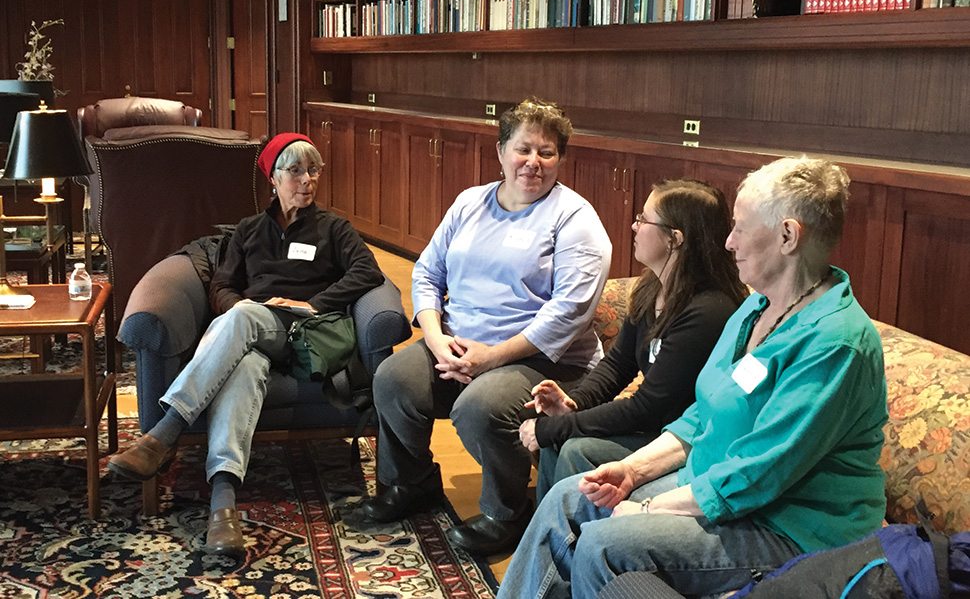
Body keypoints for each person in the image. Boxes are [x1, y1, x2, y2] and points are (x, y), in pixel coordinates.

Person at [496, 156, 888, 599]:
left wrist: (647, 507)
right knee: (567, 499)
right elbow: (701, 413)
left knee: (604, 544)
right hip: (716, 484)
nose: (728, 241)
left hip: (788, 525)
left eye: (740, 227)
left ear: (787, 236)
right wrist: (631, 469)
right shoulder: (755, 309)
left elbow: (758, 474)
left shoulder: (835, 342)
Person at [107, 133, 384, 557]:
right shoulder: (249, 231)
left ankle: (164, 433)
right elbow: (222, 284)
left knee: (243, 319)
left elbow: (367, 273)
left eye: (313, 171)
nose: (307, 181)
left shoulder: (334, 229)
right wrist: (241, 308)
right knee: (245, 366)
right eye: (295, 171)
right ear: (273, 178)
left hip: (304, 335)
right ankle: (224, 509)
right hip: (254, 333)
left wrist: (310, 304)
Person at [360, 97, 612, 556]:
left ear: (561, 158)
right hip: (456, 343)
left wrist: (490, 359)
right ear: (500, 152)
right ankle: (413, 484)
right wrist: (435, 340)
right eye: (523, 149)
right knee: (393, 380)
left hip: (542, 358)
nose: (533, 162)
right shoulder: (469, 202)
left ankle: (508, 513)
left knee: (480, 407)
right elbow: (427, 272)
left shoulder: (575, 218)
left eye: (547, 152)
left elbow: (571, 310)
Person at [518, 179, 749, 501]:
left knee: (575, 448)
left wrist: (554, 428)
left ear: (675, 239)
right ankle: (551, 536)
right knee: (563, 438)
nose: (634, 225)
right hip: (657, 424)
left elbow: (650, 408)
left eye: (643, 219)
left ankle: (576, 543)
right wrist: (575, 404)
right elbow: (618, 363)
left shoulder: (708, 311)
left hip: (683, 437)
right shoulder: (652, 287)